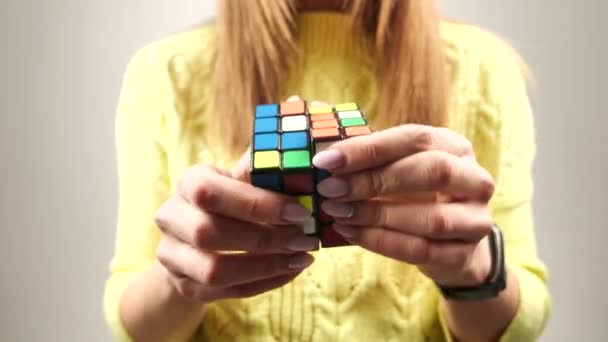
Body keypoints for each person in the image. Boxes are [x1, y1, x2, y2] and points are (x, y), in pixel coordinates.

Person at [103, 0, 551, 341]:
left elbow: (522, 318)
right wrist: (179, 277)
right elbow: (132, 316)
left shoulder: (484, 70)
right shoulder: (165, 74)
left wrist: (473, 270)